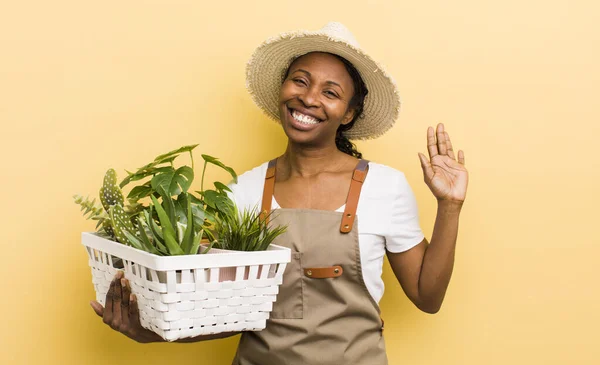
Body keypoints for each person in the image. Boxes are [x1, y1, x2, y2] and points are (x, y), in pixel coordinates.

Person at [90, 22, 469, 364]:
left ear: (349, 114)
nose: (308, 98)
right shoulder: (243, 190)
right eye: (300, 81)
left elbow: (427, 296)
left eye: (330, 92)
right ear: (282, 88)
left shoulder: (384, 187)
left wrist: (449, 206)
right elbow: (226, 314)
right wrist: (154, 332)